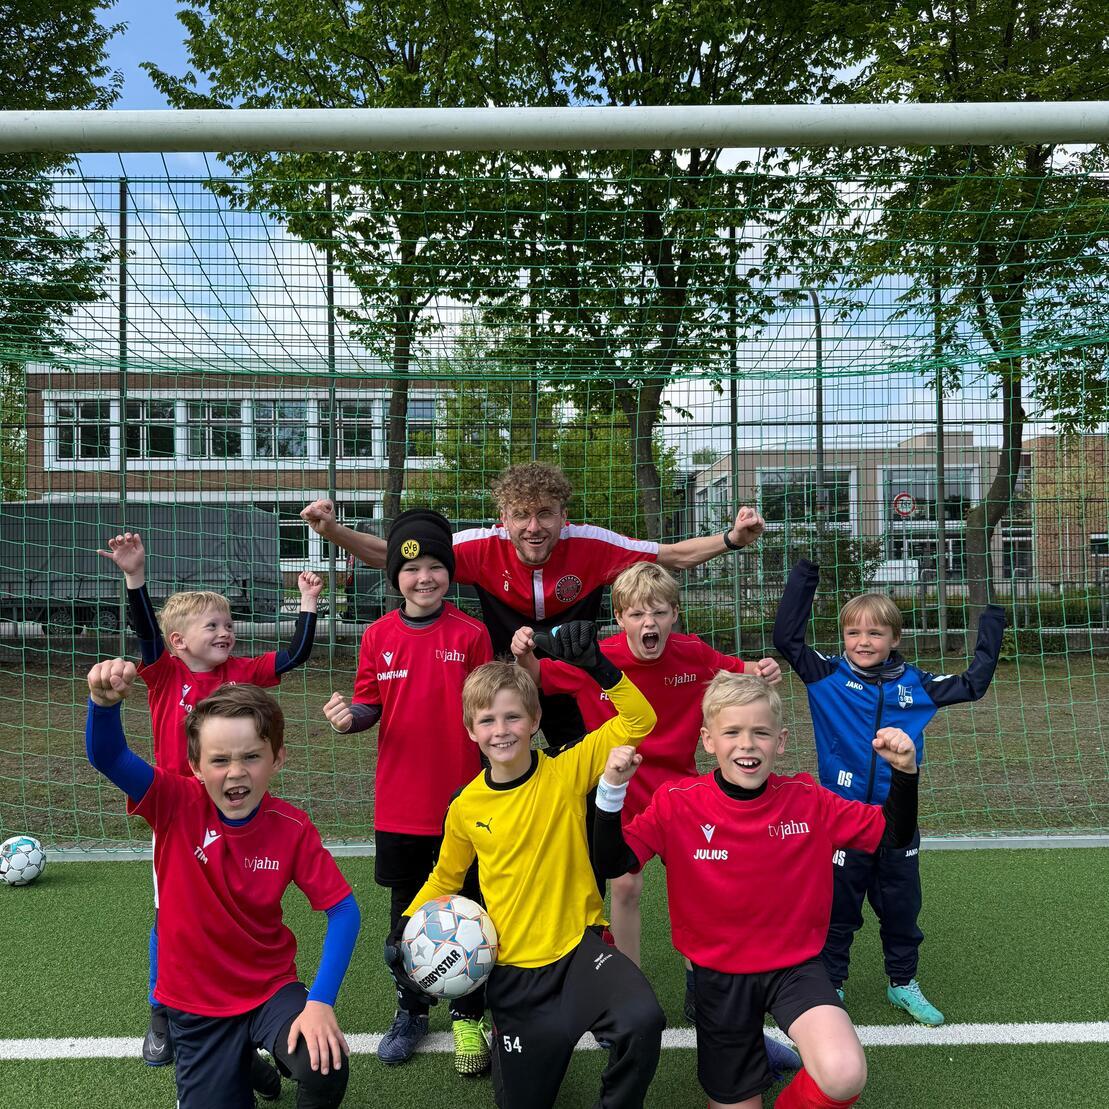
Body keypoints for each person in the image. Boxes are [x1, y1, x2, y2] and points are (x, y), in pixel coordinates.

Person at [509, 562, 798, 1076]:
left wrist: (764, 669)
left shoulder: (694, 655)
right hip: (616, 791)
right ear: (620, 617)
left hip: (682, 794)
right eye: (638, 612)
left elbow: (742, 670)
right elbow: (536, 681)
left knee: (705, 889)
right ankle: (626, 1003)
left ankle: (704, 993)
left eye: (659, 612)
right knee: (623, 888)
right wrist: (524, 651)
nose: (650, 621)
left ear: (675, 615)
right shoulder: (596, 658)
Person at [593, 672, 921, 1109]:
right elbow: (613, 863)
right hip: (719, 979)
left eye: (760, 732)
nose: (747, 744)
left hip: (797, 969)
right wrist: (612, 791)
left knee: (844, 1073)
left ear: (781, 741)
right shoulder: (678, 802)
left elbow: (893, 836)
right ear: (708, 740)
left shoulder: (808, 799)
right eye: (732, 732)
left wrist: (904, 773)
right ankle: (753, 1051)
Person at [385, 621, 666, 1109]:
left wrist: (601, 668)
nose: (501, 730)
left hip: (580, 951)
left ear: (534, 720)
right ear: (470, 729)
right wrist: (406, 927)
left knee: (643, 1019)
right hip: (514, 972)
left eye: (513, 717)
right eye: (488, 720)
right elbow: (445, 879)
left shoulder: (565, 771)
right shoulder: (466, 807)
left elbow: (640, 721)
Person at [301, 461, 766, 749]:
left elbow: (671, 556)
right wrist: (333, 533)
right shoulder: (480, 547)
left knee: (588, 784)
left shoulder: (592, 545)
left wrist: (732, 539)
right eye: (521, 514)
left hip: (574, 683)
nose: (534, 527)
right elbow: (394, 554)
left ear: (565, 516)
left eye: (545, 513)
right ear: (503, 519)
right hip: (506, 679)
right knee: (499, 776)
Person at [98, 531, 321, 1088]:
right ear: (179, 641)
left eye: (228, 623)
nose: (225, 632)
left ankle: (246, 1026)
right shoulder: (164, 674)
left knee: (239, 906)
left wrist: (310, 604)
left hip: (239, 812)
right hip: (175, 814)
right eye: (211, 626)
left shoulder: (241, 673)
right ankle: (164, 1013)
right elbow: (146, 633)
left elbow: (293, 655)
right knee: (172, 913)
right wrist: (135, 577)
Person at [85, 664, 360, 1109]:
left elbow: (345, 911)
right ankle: (242, 1065)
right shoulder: (172, 802)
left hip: (269, 988)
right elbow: (109, 758)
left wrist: (321, 1002)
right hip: (194, 1002)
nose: (236, 772)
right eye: (219, 760)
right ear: (195, 765)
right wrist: (102, 705)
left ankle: (245, 1056)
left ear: (278, 758)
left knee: (324, 1063)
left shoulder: (291, 826)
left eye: (252, 756)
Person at [773, 559, 1004, 1026]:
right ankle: (830, 984)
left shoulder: (915, 684)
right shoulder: (826, 677)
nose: (863, 642)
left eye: (875, 634)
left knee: (901, 908)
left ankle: (902, 983)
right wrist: (804, 577)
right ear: (843, 638)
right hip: (840, 817)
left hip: (896, 819)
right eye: (854, 633)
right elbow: (787, 641)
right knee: (837, 910)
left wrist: (992, 621)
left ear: (894, 639)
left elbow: (974, 684)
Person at [322, 508, 494, 1074]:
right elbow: (369, 702)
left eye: (437, 569)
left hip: (467, 805)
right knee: (406, 921)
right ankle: (412, 1010)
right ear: (395, 576)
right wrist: (352, 718)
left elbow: (488, 711)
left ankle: (470, 1019)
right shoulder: (377, 636)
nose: (425, 579)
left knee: (474, 916)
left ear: (449, 574)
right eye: (412, 570)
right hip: (401, 807)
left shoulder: (471, 634)